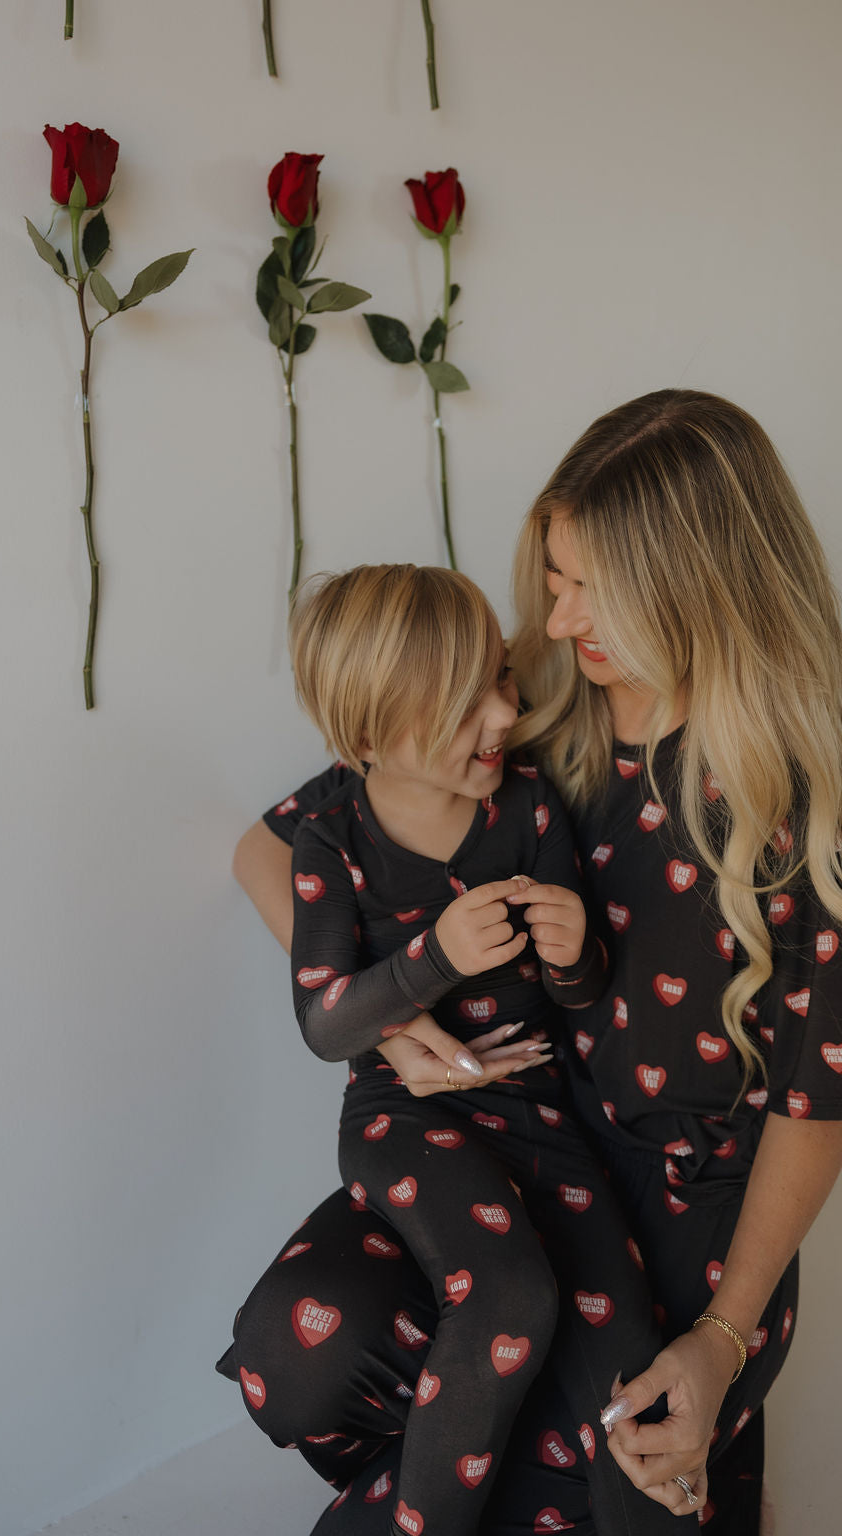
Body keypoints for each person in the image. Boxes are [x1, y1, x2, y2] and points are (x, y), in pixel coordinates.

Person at [217, 389, 842, 1534]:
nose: (553, 620)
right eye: (552, 579)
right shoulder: (523, 712)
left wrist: (719, 1338)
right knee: (296, 1345)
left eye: (587, 587)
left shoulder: (797, 810)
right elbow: (276, 845)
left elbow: (815, 1105)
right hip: (505, 1146)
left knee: (625, 1481)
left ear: (688, 584)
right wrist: (390, 1013)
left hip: (684, 1223)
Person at [281, 563, 670, 1536]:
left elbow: (578, 995)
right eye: (466, 706)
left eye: (500, 676)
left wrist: (576, 953)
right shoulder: (331, 839)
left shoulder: (527, 808)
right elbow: (324, 1023)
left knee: (628, 1346)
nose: (505, 713)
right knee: (508, 1293)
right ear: (370, 738)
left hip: (541, 1117)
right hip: (407, 1118)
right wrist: (435, 959)